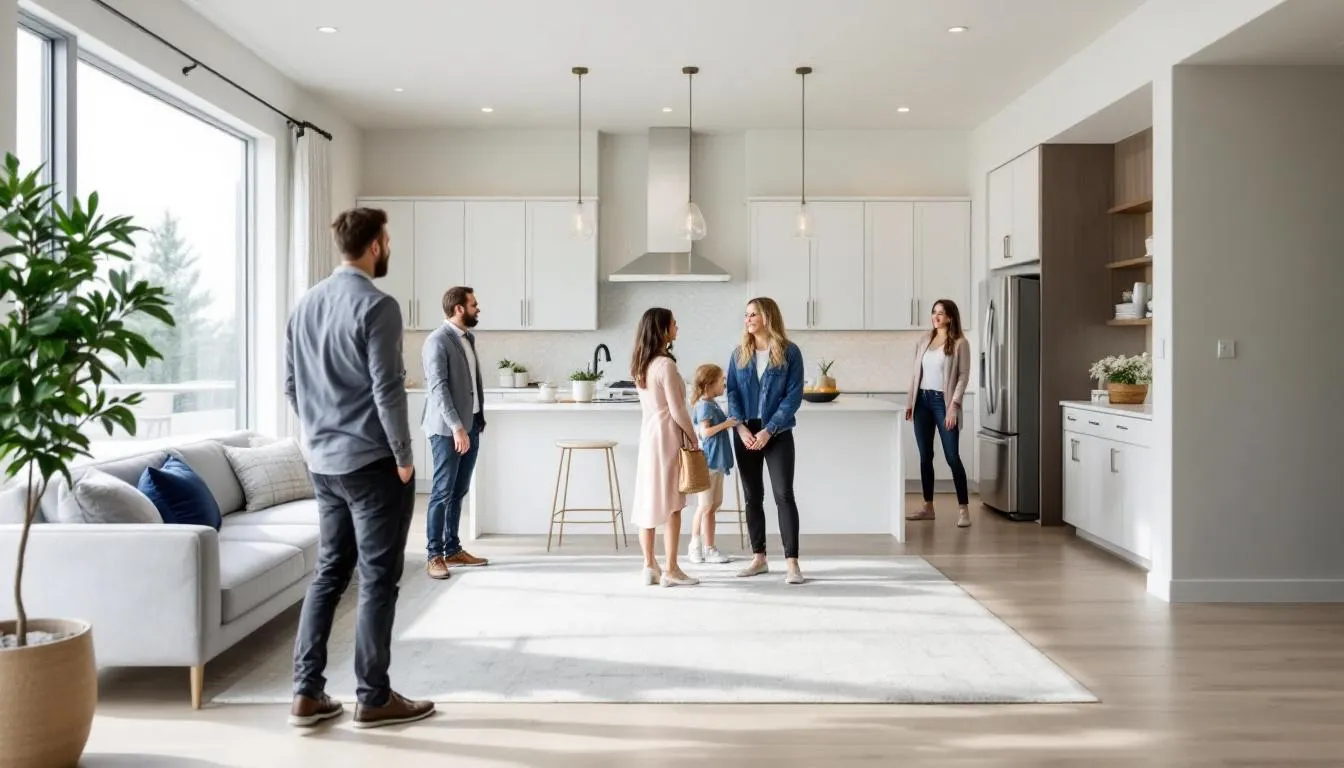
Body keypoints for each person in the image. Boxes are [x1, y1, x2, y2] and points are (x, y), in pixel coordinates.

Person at [284, 206, 435, 729]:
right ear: (375, 245)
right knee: (376, 581)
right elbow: (387, 389)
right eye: (388, 241)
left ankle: (306, 694)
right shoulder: (377, 305)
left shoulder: (304, 305)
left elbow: (290, 386)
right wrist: (405, 456)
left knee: (329, 573)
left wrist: (320, 432)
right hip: (372, 464)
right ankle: (373, 697)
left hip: (324, 464)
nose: (388, 248)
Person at [725, 297, 806, 585]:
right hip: (746, 431)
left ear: (768, 317)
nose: (747, 319)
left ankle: (792, 563)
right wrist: (741, 429)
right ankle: (759, 558)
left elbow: (793, 396)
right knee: (752, 496)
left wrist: (769, 429)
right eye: (746, 315)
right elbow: (731, 392)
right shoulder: (738, 354)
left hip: (778, 432)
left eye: (753, 314)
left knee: (783, 494)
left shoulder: (789, 352)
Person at [421, 286, 489, 579]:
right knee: (442, 491)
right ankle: (434, 555)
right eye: (474, 304)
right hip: (449, 430)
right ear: (459, 308)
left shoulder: (467, 338)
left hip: (470, 425)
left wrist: (476, 420)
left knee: (459, 490)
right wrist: (457, 428)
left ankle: (453, 549)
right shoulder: (437, 341)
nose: (478, 308)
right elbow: (438, 389)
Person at [630, 307, 700, 587]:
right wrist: (693, 438)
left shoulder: (640, 364)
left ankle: (649, 565)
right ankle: (672, 568)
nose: (677, 327)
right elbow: (678, 410)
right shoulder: (666, 365)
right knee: (673, 503)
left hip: (648, 435)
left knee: (647, 498)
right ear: (663, 330)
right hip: (667, 435)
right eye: (674, 323)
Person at [904, 298, 972, 528]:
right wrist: (910, 402)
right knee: (925, 456)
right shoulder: (925, 340)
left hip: (943, 403)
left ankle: (964, 509)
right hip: (922, 401)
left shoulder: (961, 343)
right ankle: (928, 507)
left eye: (941, 313)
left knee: (952, 456)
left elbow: (963, 376)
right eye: (934, 312)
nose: (936, 316)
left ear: (950, 317)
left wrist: (954, 405)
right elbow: (915, 374)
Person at [687, 363, 736, 564]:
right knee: (705, 506)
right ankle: (695, 546)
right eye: (720, 382)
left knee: (713, 505)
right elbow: (705, 432)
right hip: (709, 462)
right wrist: (726, 424)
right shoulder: (704, 405)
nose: (723, 385)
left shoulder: (712, 403)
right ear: (709, 385)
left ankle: (710, 547)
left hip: (718, 461)